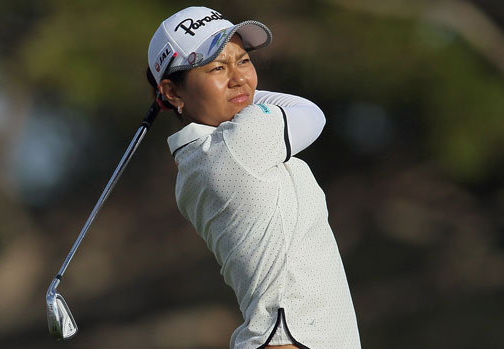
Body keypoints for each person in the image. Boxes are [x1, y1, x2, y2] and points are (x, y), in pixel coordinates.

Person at [146, 6, 360, 349]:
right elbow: (311, 114)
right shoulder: (239, 143)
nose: (239, 77)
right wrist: (243, 93)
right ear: (172, 92)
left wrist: (213, 92)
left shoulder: (195, 163)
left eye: (243, 61)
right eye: (217, 67)